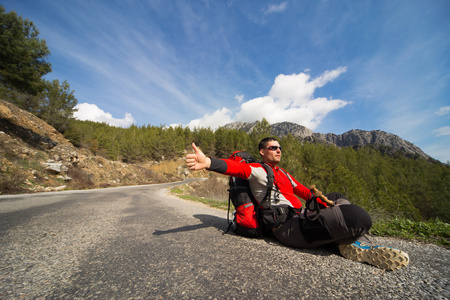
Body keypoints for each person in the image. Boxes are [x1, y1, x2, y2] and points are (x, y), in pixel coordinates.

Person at [186, 137, 409, 271]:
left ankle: (347, 239)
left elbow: (305, 193)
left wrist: (325, 201)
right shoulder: (259, 171)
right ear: (263, 152)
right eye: (273, 147)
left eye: (279, 147)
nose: (278, 149)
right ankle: (353, 240)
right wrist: (208, 162)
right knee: (359, 218)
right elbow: (238, 169)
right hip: (287, 227)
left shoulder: (284, 173)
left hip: (301, 217)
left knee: (337, 195)